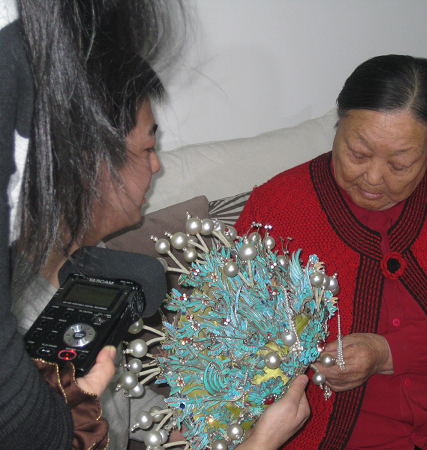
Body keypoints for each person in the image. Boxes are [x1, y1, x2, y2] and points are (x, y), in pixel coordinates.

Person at [1, 0, 309, 449]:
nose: (158, 165)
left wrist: (176, 423)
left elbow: (119, 400)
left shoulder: (92, 258)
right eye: (147, 149)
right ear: (90, 166)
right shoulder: (21, 329)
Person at [236, 54, 427, 450]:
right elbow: (235, 338)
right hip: (334, 436)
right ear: (338, 126)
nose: (373, 178)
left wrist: (385, 352)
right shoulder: (276, 209)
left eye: (401, 164)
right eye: (358, 153)